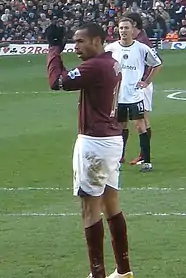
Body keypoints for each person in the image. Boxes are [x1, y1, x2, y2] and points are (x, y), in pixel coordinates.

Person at [46, 22, 134, 278]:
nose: (76, 47)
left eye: (80, 41)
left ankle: (98, 275)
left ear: (97, 40)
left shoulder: (95, 66)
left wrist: (53, 50)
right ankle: (124, 270)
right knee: (111, 204)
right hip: (111, 139)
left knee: (90, 209)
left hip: (94, 143)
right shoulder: (111, 63)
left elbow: (56, 82)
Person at [105, 17, 162, 172]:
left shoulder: (141, 48)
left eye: (126, 28)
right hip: (118, 96)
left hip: (135, 95)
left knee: (140, 126)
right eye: (121, 28)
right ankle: (118, 159)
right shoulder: (110, 48)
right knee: (119, 127)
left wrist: (147, 82)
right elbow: (102, 66)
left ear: (132, 29)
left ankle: (147, 162)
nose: (123, 31)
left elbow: (157, 64)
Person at [127, 12, 160, 165]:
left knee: (141, 120)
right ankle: (141, 154)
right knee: (139, 120)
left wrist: (145, 81)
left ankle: (143, 155)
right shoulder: (138, 39)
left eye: (128, 25)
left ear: (134, 24)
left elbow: (156, 62)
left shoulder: (142, 42)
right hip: (136, 85)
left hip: (141, 86)